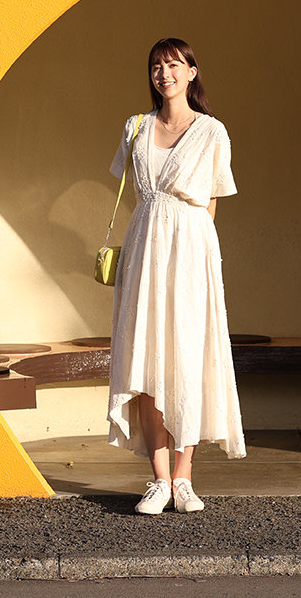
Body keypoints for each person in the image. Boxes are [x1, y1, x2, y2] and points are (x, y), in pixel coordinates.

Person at [107, 37, 245, 515]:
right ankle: (159, 480)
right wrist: (156, 231)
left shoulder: (212, 132)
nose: (163, 73)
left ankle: (185, 479)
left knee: (187, 357)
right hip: (146, 246)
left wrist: (195, 257)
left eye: (172, 65)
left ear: (191, 72)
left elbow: (210, 203)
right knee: (147, 363)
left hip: (190, 251)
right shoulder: (135, 127)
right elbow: (137, 195)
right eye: (155, 66)